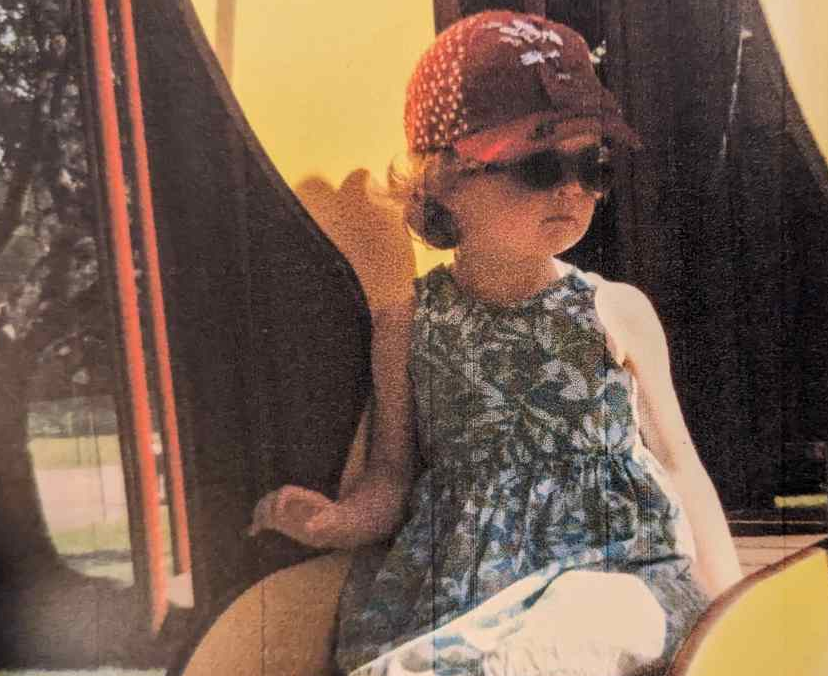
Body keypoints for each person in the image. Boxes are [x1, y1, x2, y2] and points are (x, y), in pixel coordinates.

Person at [248, 10, 743, 675]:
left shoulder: (612, 311)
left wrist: (735, 610)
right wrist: (336, 523)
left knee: (574, 630)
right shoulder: (413, 322)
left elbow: (681, 469)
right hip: (463, 602)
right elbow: (392, 474)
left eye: (592, 165)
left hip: (614, 576)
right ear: (447, 178)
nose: (572, 186)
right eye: (541, 165)